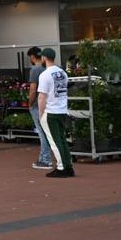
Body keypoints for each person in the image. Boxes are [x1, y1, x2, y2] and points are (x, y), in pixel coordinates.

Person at [37, 48, 74, 178]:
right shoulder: (63, 73)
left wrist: (41, 114)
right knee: (62, 140)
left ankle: (61, 167)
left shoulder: (44, 75)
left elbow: (42, 97)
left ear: (44, 58)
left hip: (50, 111)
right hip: (62, 110)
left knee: (54, 141)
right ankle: (68, 166)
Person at [26, 46, 53, 170]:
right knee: (47, 132)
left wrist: (30, 103)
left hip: (38, 105)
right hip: (50, 104)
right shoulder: (48, 68)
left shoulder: (35, 70)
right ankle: (45, 158)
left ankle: (45, 159)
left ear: (32, 57)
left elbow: (33, 90)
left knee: (42, 133)